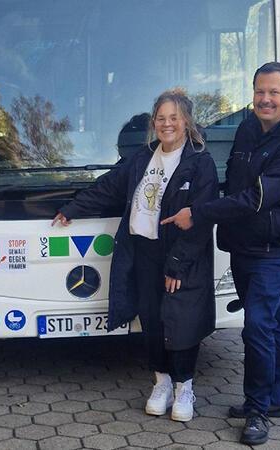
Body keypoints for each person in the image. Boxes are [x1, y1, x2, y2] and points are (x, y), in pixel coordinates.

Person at [161, 62, 280, 445]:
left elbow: (255, 198)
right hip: (244, 244)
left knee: (257, 326)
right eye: (259, 92)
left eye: (274, 93)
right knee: (272, 321)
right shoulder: (250, 127)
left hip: (277, 248)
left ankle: (257, 411)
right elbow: (232, 182)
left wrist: (197, 212)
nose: (265, 100)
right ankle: (276, 399)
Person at [52, 89, 219, 422]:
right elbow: (108, 188)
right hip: (143, 252)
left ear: (185, 121)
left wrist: (176, 265)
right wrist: (71, 208)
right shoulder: (142, 159)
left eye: (174, 118)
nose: (167, 124)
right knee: (153, 320)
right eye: (161, 118)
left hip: (179, 257)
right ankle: (161, 382)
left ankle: (185, 387)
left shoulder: (200, 163)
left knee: (181, 322)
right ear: (153, 122)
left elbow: (201, 220)